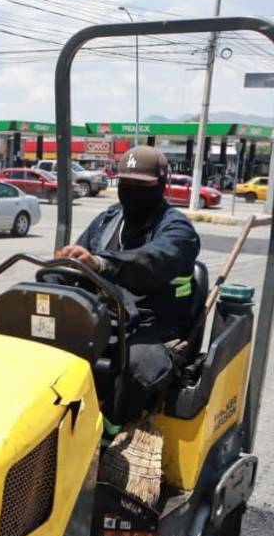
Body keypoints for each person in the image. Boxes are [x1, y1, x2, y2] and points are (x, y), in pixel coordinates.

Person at [53, 145, 201, 431]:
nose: (131, 191)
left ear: (161, 185)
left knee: (136, 363)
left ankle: (112, 432)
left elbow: (153, 261)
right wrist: (69, 263)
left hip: (154, 322)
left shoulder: (177, 230)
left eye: (141, 185)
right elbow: (82, 258)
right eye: (126, 183)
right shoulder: (110, 219)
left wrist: (101, 263)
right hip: (106, 313)